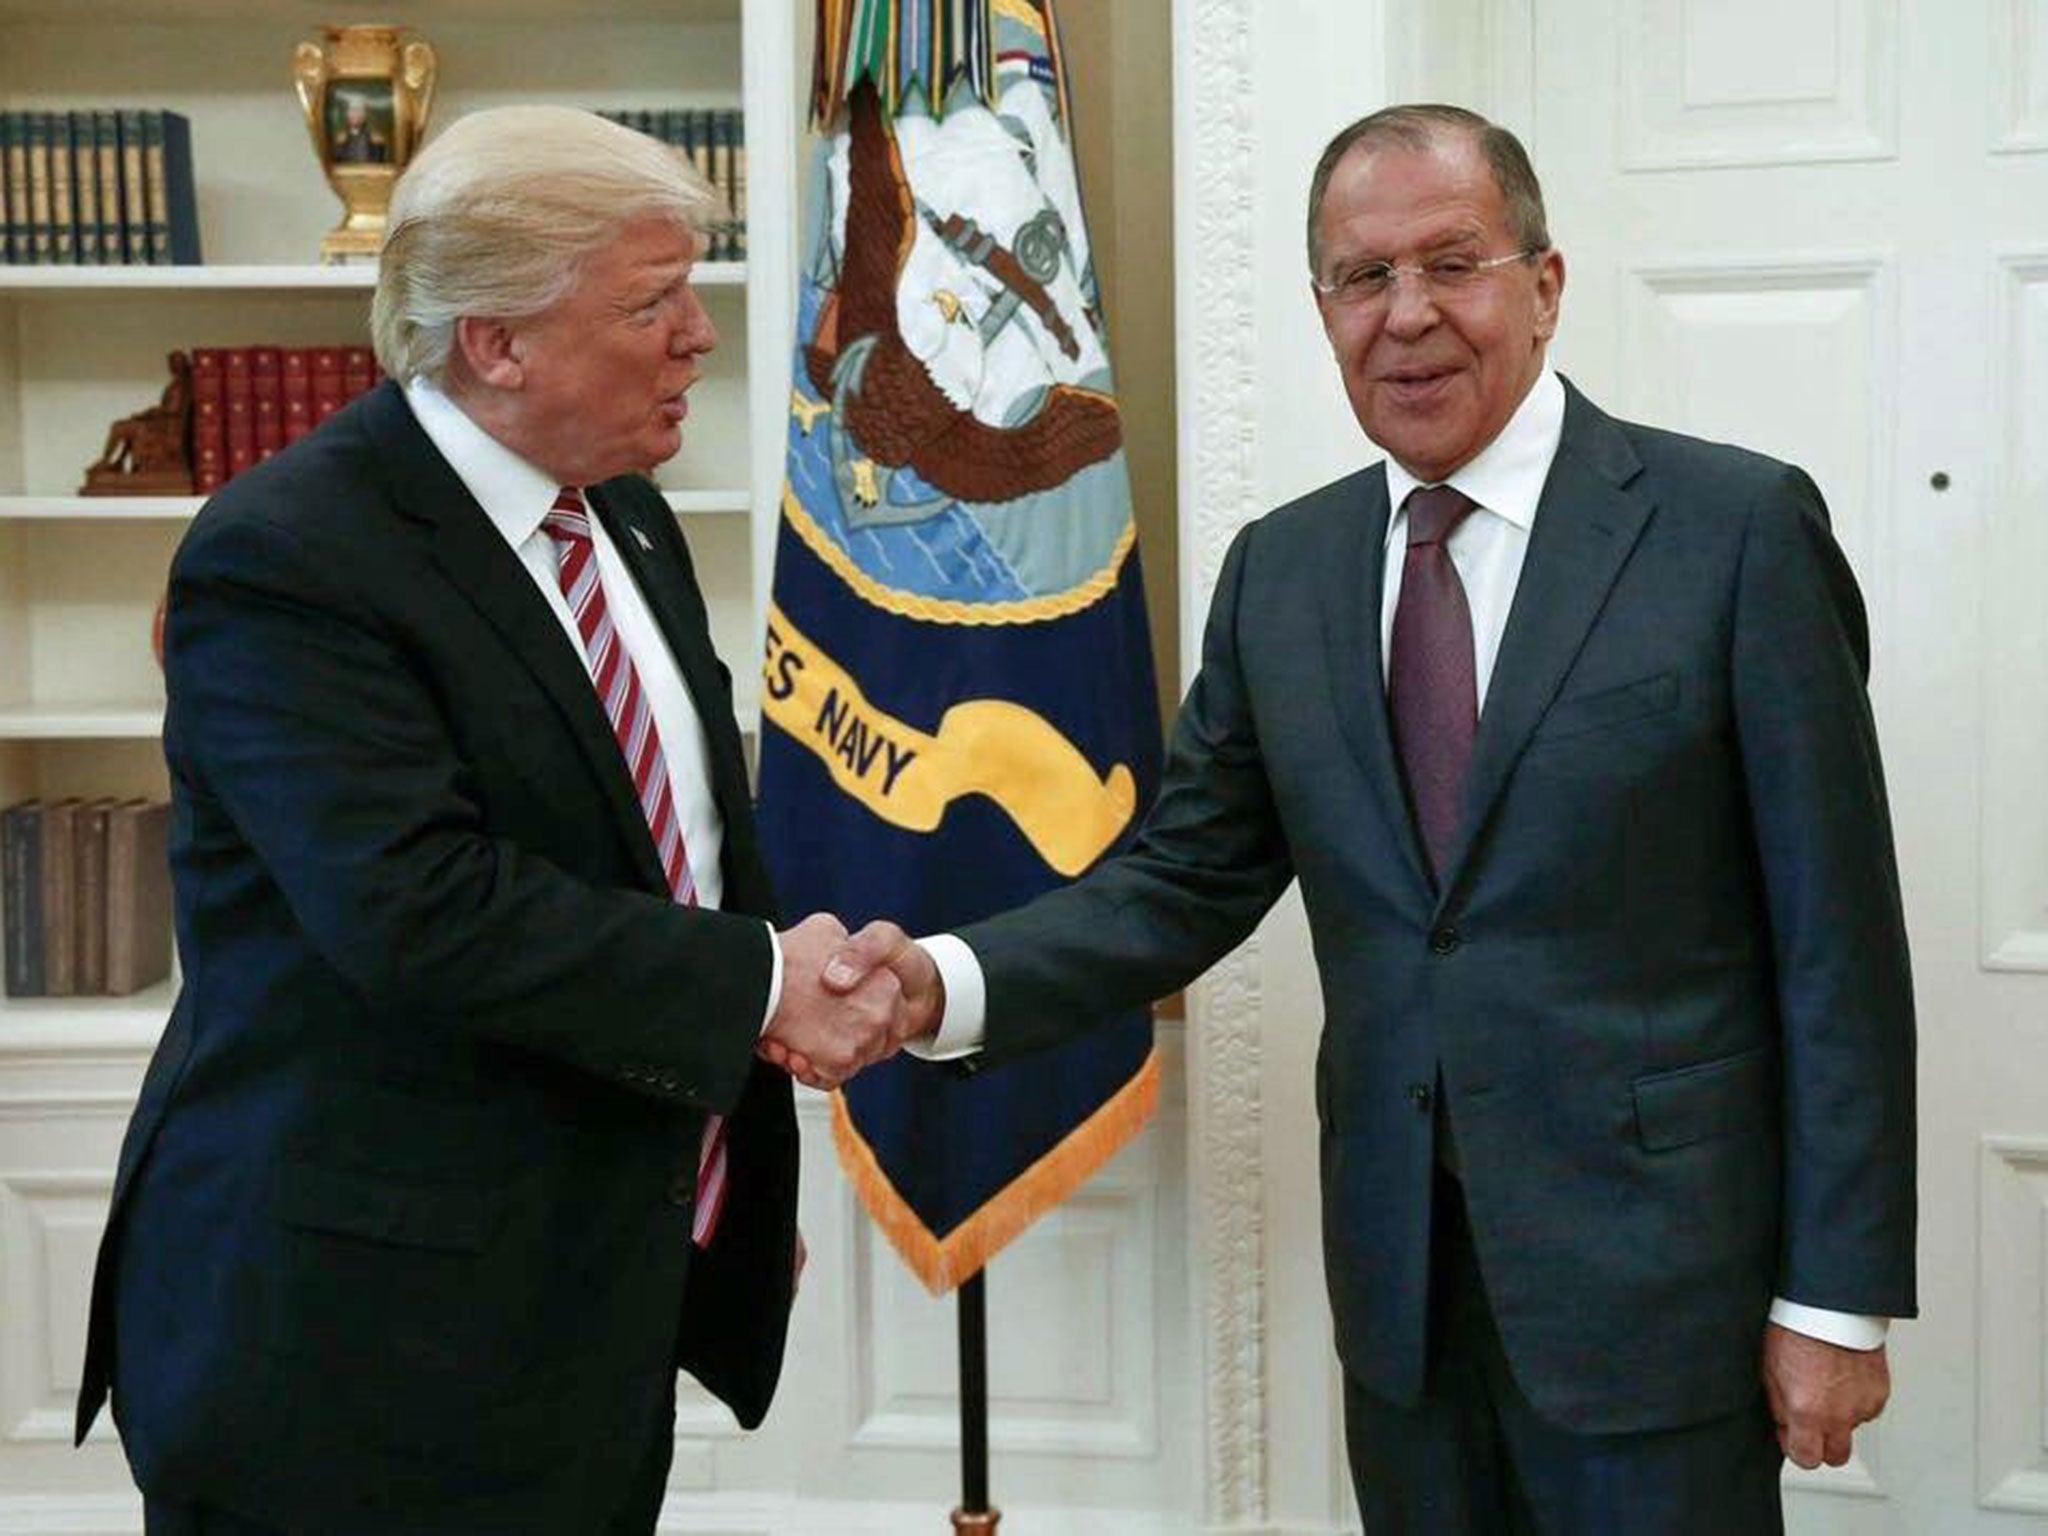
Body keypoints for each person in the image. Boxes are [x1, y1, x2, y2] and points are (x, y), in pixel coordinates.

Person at [804, 103, 1917, 1533]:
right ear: (1322, 305)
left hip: (1660, 1297)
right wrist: (938, 982)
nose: (1408, 318)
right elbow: (1179, 883)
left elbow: (1839, 945)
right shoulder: (1287, 574)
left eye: (1452, 263)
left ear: (1546, 284)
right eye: (1361, 277)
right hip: (1404, 1299)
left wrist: (1834, 1295)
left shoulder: (1734, 531)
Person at [73, 106, 917, 1535]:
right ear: (495, 341)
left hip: (591, 1299)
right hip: (351, 1343)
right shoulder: (286, 557)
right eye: (653, 302)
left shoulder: (624, 519)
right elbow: (419, 909)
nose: (699, 338)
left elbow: (685, 846)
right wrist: (768, 987)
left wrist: (740, 1159)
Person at [331, 95, 389, 165]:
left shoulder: (376, 137)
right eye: (352, 113)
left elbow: (380, 162)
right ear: (348, 116)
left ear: (364, 116)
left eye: (359, 113)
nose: (356, 116)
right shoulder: (339, 138)